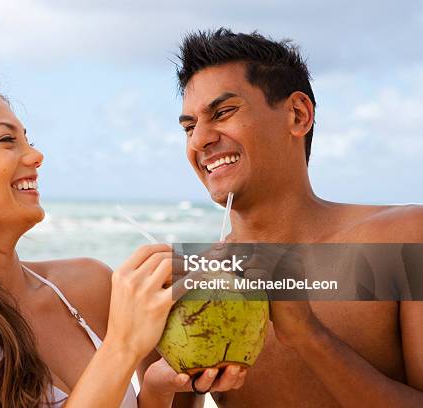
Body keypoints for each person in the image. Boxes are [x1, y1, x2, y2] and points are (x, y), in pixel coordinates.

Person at [0, 73, 239, 407]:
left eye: (28, 139)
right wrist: (122, 346)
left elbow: (290, 264)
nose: (36, 155)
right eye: (7, 140)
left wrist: (164, 389)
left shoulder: (87, 284)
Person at [149, 28, 423, 407]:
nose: (199, 141)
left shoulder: (402, 241)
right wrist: (154, 388)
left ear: (298, 114)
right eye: (189, 127)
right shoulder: (184, 284)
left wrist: (309, 336)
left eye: (223, 113)